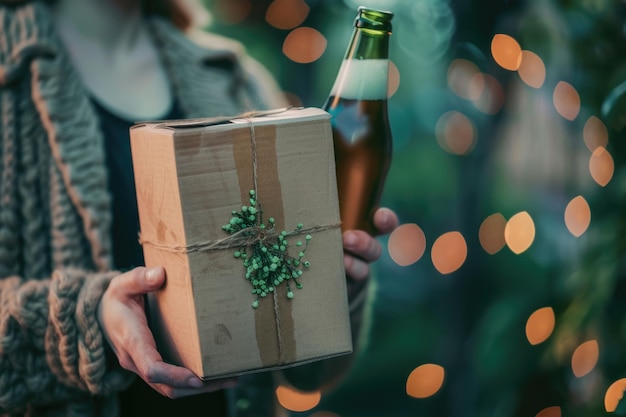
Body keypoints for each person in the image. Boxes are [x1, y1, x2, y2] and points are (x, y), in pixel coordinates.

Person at [0, 0, 399, 416]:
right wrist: (89, 321)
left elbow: (308, 376)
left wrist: (335, 290)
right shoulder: (10, 77)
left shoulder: (237, 79)